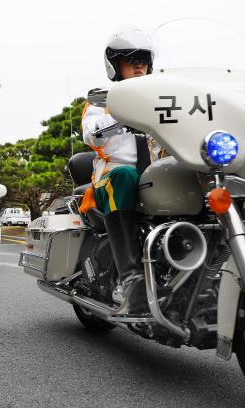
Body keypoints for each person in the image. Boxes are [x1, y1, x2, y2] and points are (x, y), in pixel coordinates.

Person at [80, 28, 155, 315]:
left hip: (154, 179)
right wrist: (115, 123)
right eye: (131, 59)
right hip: (113, 175)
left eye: (144, 60)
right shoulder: (105, 102)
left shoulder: (160, 102)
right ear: (115, 65)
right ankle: (131, 278)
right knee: (126, 176)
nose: (139, 65)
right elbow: (92, 135)